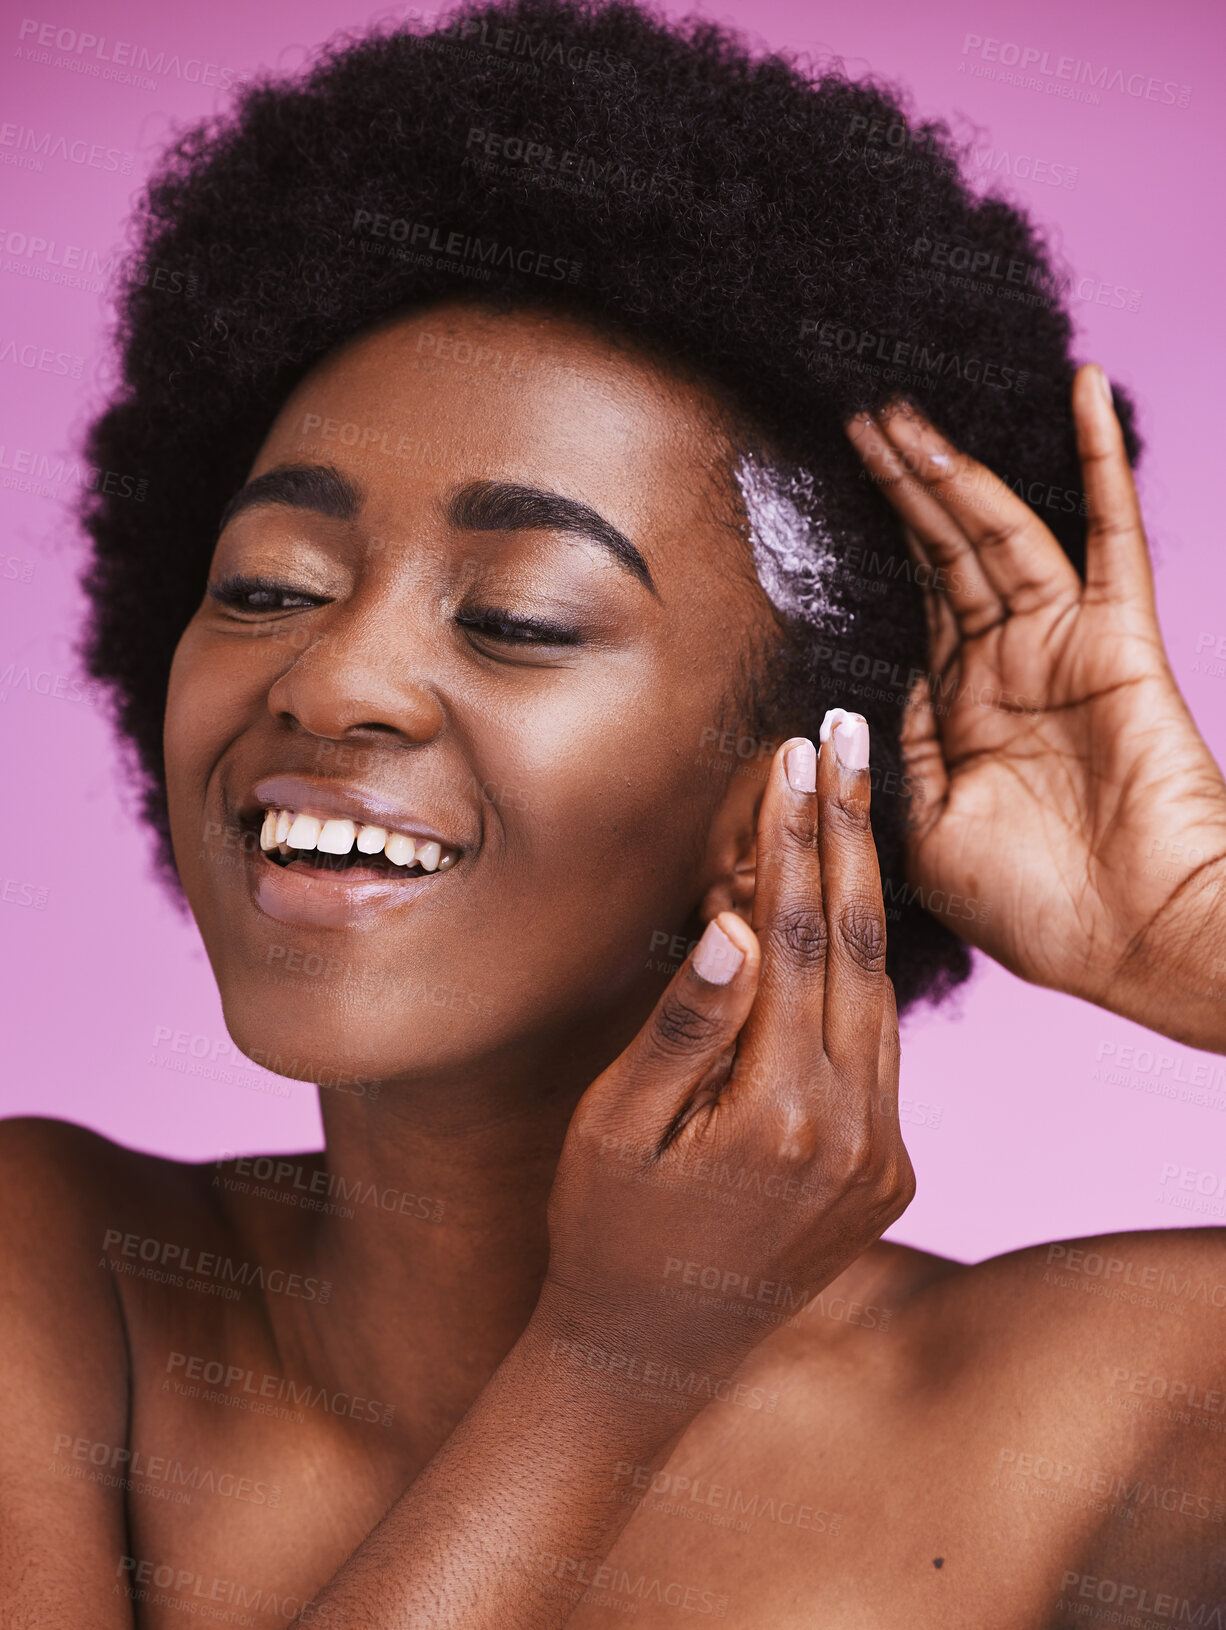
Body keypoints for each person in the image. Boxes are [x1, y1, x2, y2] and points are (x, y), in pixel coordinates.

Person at [6, 1, 1225, 1623]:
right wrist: (605, 1370)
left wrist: (1199, 936)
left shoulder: (1099, 1414)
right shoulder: (56, 1271)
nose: (330, 676)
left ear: (793, 791)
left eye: (514, 616)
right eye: (266, 584)